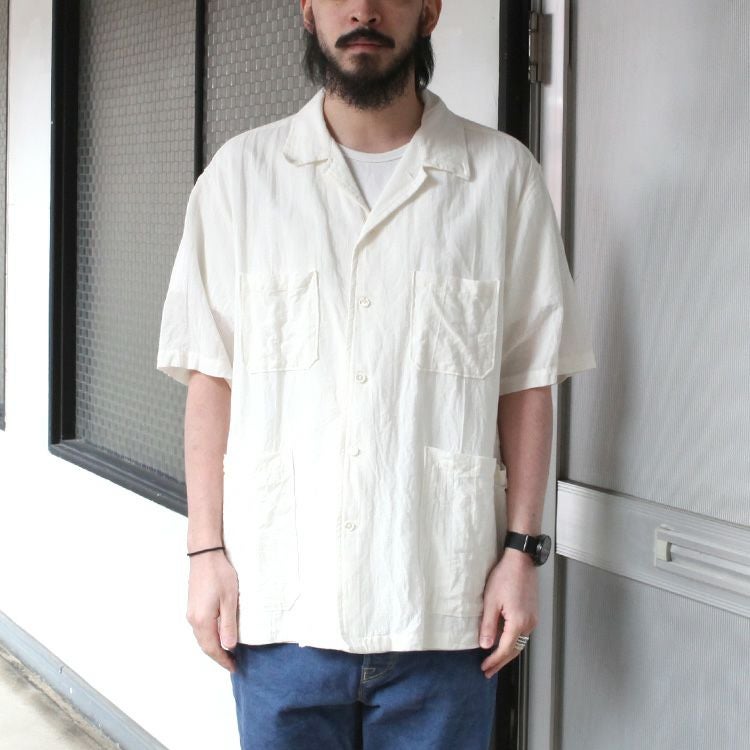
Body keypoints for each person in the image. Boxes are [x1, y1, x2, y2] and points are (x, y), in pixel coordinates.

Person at [156, 1, 596, 747]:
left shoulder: (501, 179)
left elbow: (527, 380)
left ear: (429, 9)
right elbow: (212, 379)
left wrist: (522, 556)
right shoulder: (241, 179)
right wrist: (205, 554)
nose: (363, 9)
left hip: (444, 609)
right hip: (281, 606)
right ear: (307, 9)